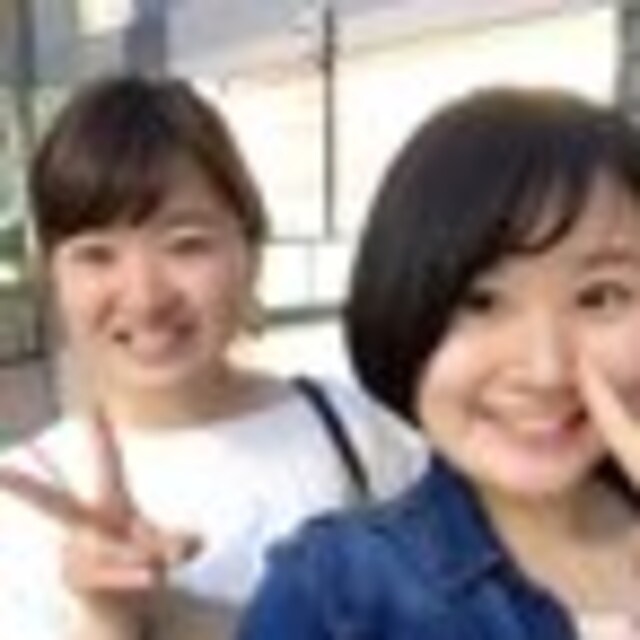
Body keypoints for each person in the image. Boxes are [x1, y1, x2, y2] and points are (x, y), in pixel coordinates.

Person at [0, 74, 423, 639]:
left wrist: (175, 614)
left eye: (187, 245)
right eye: (96, 255)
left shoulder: (349, 428)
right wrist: (109, 618)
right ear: (52, 278)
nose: (146, 297)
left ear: (250, 251)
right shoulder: (29, 497)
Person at [239, 86, 640, 640]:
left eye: (599, 297)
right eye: (481, 302)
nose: (547, 370)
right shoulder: (334, 595)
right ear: (400, 304)